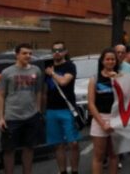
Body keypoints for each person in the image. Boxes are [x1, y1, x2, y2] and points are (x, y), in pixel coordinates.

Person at [0, 43, 44, 174]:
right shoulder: (7, 72)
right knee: (9, 150)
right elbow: (0, 94)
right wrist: (1, 117)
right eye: (24, 53)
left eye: (30, 53)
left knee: (29, 148)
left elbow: (39, 91)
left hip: (31, 116)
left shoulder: (36, 70)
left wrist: (38, 110)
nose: (28, 56)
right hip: (12, 117)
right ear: (16, 55)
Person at [44, 41, 80, 174]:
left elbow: (64, 82)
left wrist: (52, 73)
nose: (57, 52)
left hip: (67, 109)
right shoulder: (47, 67)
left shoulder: (70, 66)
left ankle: (75, 171)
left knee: (73, 143)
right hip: (51, 110)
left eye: (60, 50)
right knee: (58, 144)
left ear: (65, 52)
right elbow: (43, 91)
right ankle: (63, 171)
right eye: (54, 50)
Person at [88, 48, 119, 174]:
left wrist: (117, 80)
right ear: (102, 61)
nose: (110, 61)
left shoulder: (121, 76)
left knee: (114, 154)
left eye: (113, 59)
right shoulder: (94, 78)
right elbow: (91, 103)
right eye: (107, 59)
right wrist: (102, 123)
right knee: (99, 156)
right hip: (100, 118)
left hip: (117, 118)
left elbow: (126, 99)